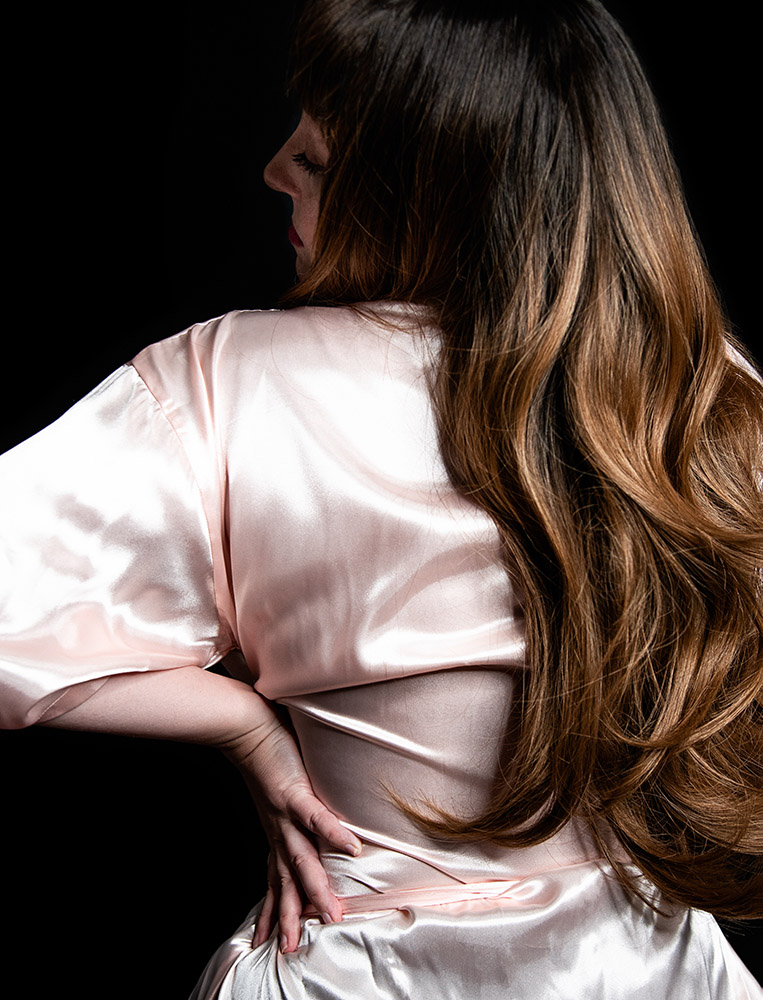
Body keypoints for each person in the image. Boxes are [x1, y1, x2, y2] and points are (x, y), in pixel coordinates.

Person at [1, 1, 761, 997]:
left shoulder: (229, 378)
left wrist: (243, 725)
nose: (272, 168)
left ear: (425, 196)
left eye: (313, 160)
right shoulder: (704, 396)